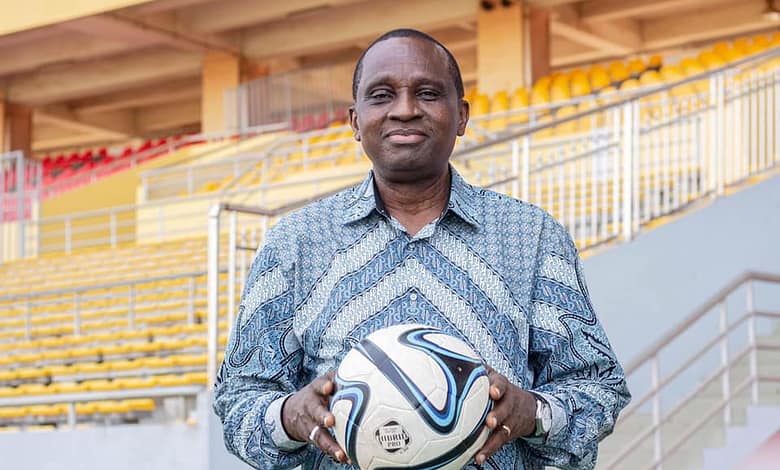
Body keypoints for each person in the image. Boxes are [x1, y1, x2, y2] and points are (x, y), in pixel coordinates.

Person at [214, 28, 630, 470]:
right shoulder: (295, 242)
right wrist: (289, 416)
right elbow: (239, 397)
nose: (405, 110)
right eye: (381, 96)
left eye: (428, 93)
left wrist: (533, 413)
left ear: (462, 116)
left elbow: (598, 386)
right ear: (354, 121)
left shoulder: (532, 236)